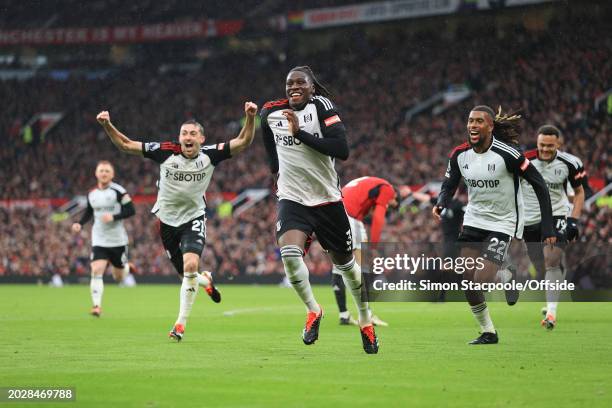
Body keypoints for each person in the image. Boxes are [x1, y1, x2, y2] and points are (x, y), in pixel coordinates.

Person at [95, 101, 258, 341]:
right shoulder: (166, 151)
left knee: (191, 266)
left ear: (202, 139)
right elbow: (126, 145)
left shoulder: (210, 155)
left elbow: (243, 141)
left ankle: (180, 325)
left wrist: (250, 117)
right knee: (186, 276)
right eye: (184, 133)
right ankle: (206, 281)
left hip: (193, 218)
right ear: (179, 138)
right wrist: (107, 124)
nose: (187, 137)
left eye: (193, 133)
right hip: (167, 223)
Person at [260, 66, 378, 354]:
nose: (294, 87)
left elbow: (342, 149)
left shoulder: (322, 107)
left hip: (327, 200)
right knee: (289, 255)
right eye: (289, 83)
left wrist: (299, 134)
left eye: (301, 83)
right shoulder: (271, 112)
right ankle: (314, 310)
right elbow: (268, 142)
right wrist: (276, 168)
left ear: (312, 88)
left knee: (347, 266)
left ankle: (364, 319)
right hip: (292, 198)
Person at [434, 105, 555, 345]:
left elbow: (539, 184)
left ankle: (505, 274)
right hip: (474, 219)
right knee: (467, 282)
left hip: (503, 221)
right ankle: (488, 331)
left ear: (490, 126)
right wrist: (441, 202)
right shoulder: (460, 154)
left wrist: (548, 227)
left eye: (479, 121)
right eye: (470, 121)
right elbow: (450, 183)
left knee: (482, 280)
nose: (473, 125)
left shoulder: (507, 154)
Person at [521, 125, 585, 330]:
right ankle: (556, 278)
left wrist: (573, 221)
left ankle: (551, 313)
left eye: (550, 146)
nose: (546, 149)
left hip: (558, 214)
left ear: (559, 144)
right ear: (537, 143)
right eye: (542, 145)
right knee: (540, 266)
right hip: (530, 218)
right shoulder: (523, 161)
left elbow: (579, 192)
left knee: (551, 261)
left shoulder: (570, 162)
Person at [331, 176, 409, 326]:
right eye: (392, 206)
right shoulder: (388, 189)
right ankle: (366, 315)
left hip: (335, 213)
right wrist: (373, 246)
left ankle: (344, 315)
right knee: (364, 266)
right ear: (395, 198)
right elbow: (378, 218)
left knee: (338, 267)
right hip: (350, 217)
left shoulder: (369, 184)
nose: (389, 207)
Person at [71, 160, 137, 317]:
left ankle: (127, 268)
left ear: (112, 174)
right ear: (96, 173)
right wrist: (80, 223)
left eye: (107, 171)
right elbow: (89, 211)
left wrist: (114, 216)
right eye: (101, 171)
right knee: (96, 269)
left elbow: (131, 210)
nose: (104, 173)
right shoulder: (92, 194)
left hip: (117, 240)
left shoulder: (119, 191)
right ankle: (96, 306)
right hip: (99, 239)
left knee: (118, 277)